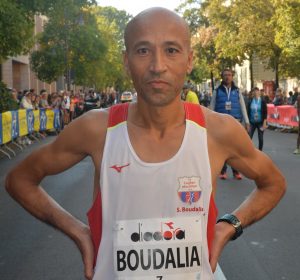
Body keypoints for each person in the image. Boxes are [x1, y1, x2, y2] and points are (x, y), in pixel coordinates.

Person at [5, 8, 286, 280]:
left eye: (171, 50)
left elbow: (273, 183)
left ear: (189, 60)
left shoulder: (218, 130)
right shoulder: (97, 129)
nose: (157, 66)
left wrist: (228, 226)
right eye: (143, 51)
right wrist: (78, 231)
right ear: (126, 61)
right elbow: (20, 180)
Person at [210, 68, 250, 180]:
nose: (227, 77)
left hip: (235, 122)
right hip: (221, 122)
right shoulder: (217, 90)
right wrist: (209, 122)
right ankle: (223, 171)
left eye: (229, 75)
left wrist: (246, 121)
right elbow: (211, 107)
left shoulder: (237, 91)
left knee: (234, 148)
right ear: (222, 77)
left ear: (232, 76)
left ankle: (236, 171)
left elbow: (242, 106)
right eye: (225, 75)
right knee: (222, 148)